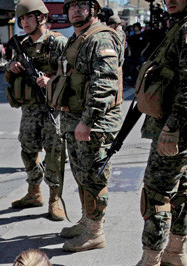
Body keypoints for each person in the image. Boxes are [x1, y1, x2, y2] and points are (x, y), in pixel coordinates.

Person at [110, 0, 187, 266]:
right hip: (183, 125)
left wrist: (172, 128)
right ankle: (175, 253)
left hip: (177, 127)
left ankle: (149, 265)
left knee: (157, 194)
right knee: (179, 187)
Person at [42, 0, 124, 252]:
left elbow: (105, 84)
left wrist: (87, 122)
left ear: (94, 9)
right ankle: (87, 221)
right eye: (72, 6)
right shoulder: (77, 39)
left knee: (93, 178)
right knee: (81, 175)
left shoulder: (101, 39)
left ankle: (95, 232)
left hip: (92, 123)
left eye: (83, 5)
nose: (76, 10)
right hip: (75, 119)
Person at [5, 0, 68, 221]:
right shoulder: (22, 44)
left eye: (28, 17)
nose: (24, 22)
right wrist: (11, 67)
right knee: (28, 149)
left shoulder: (59, 43)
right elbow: (10, 69)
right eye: (21, 19)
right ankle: (34, 191)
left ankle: (55, 198)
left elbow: (70, 76)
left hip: (52, 107)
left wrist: (51, 81)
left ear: (41, 17)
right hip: (30, 109)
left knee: (54, 153)